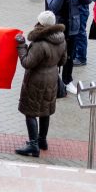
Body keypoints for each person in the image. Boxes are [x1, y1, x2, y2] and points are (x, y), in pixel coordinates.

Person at [14, 10, 67, 157]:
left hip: (36, 81)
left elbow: (27, 62)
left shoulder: (40, 43)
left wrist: (21, 46)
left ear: (40, 23)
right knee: (45, 110)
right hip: (51, 79)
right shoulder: (61, 39)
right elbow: (63, 61)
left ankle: (33, 145)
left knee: (30, 112)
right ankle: (42, 140)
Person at [45, 0, 92, 94]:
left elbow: (88, 0)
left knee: (70, 56)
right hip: (56, 29)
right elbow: (53, 7)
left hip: (72, 28)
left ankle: (67, 80)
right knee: (54, 57)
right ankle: (53, 81)